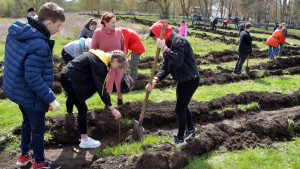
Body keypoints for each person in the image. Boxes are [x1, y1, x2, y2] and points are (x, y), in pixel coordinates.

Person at [3, 3, 65, 169]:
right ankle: (39, 162)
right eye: (58, 25)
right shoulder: (39, 44)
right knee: (38, 129)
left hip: (18, 91)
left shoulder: (21, 32)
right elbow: (32, 77)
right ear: (48, 23)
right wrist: (51, 99)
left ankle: (24, 156)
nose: (59, 30)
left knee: (26, 122)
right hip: (31, 95)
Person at [146, 21, 199, 146]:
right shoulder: (169, 43)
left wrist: (164, 48)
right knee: (183, 106)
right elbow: (166, 67)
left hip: (190, 79)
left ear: (160, 35)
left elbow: (178, 61)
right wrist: (155, 80)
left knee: (180, 108)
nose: (155, 42)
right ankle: (190, 129)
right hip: (183, 80)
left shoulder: (179, 41)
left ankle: (180, 139)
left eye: (155, 39)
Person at [60, 50, 123, 148]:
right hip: (70, 79)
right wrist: (112, 108)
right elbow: (101, 89)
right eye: (119, 66)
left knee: (73, 97)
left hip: (68, 76)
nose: (117, 69)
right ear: (114, 60)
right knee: (82, 108)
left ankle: (69, 117)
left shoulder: (100, 56)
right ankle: (84, 140)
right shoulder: (99, 64)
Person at [91, 12, 127, 106]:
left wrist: (125, 60)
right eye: (113, 22)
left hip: (119, 63)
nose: (115, 25)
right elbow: (92, 49)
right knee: (106, 84)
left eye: (115, 22)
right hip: (106, 64)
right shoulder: (98, 33)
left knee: (119, 81)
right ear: (105, 22)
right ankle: (108, 103)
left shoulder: (119, 32)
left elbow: (123, 47)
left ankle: (120, 100)